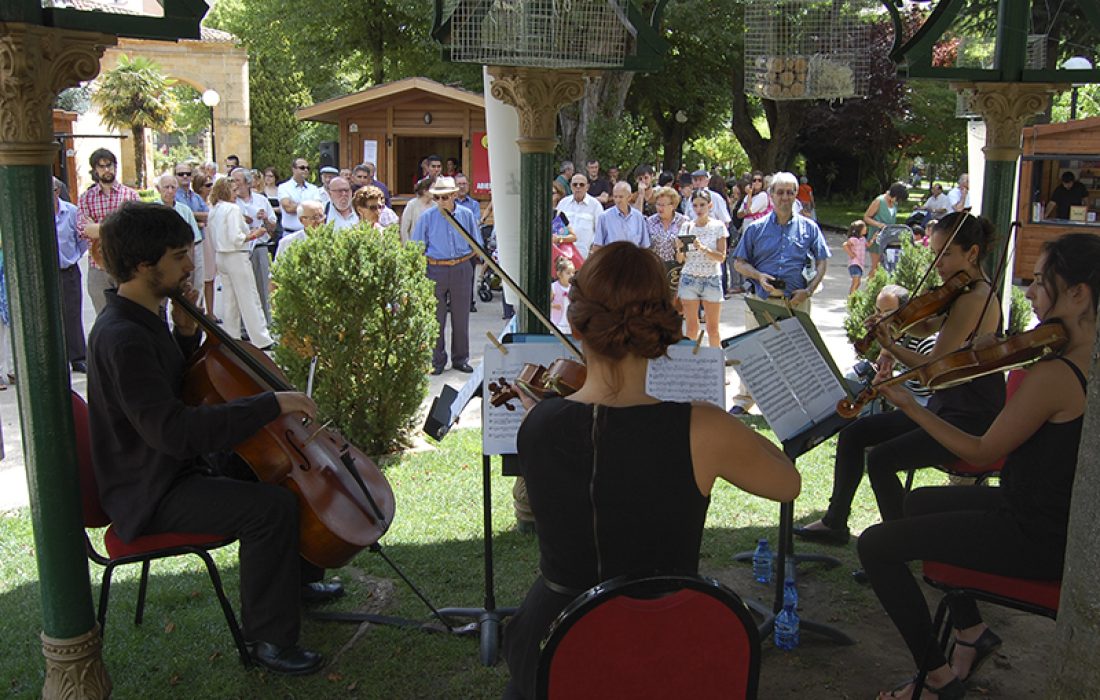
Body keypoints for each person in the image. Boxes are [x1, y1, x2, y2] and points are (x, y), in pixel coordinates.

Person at [502, 241, 801, 700]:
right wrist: (717, 421)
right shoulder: (704, 428)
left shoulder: (536, 423)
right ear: (664, 325)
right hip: (664, 641)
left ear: (576, 326)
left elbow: (540, 507)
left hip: (555, 642)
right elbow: (787, 482)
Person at [88, 201, 338, 676]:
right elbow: (175, 432)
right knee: (270, 509)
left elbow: (172, 390)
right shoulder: (123, 337)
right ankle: (269, 640)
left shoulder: (144, 319)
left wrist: (185, 338)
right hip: (151, 489)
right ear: (142, 265)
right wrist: (269, 403)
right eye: (178, 256)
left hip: (169, 469)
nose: (190, 266)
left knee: (272, 470)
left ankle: (296, 584)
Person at [858, 232, 1100, 700]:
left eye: (1040, 281)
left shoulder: (1055, 374)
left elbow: (980, 452)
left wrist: (909, 405)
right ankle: (970, 631)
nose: (1029, 293)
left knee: (875, 545)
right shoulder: (1078, 358)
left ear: (1078, 294)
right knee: (918, 502)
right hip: (1053, 517)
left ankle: (937, 679)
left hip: (1033, 533)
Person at [795, 213, 1004, 546]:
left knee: (881, 460)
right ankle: (835, 522)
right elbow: (926, 326)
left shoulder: (975, 298)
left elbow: (934, 365)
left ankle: (901, 543)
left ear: (972, 253)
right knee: (855, 434)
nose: (937, 263)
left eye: (945, 254)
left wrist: (890, 345)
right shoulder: (960, 292)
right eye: (934, 253)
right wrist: (894, 321)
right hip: (946, 407)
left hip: (968, 417)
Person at [730, 171, 830, 415]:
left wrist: (809, 290)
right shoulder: (755, 229)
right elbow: (739, 263)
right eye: (780, 192)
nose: (785, 197)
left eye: (790, 192)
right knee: (753, 351)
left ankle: (800, 402)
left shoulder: (810, 228)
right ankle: (744, 401)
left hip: (796, 301)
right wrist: (758, 276)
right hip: (761, 301)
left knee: (798, 353)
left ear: (796, 195)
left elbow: (822, 262)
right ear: (771, 195)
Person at [411, 176, 483, 375]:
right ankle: (437, 361)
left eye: (445, 197)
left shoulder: (466, 215)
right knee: (436, 318)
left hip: (461, 267)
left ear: (454, 195)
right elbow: (416, 247)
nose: (441, 201)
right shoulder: (427, 217)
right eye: (437, 198)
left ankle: (461, 359)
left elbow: (477, 243)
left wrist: (469, 259)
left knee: (461, 317)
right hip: (435, 269)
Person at [208, 178, 273, 349]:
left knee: (230, 300)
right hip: (235, 255)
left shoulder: (214, 209)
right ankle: (261, 339)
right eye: (233, 190)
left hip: (221, 256)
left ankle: (232, 336)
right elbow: (236, 237)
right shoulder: (232, 209)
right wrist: (255, 234)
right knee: (249, 297)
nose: (236, 194)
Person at [77, 148, 139, 315]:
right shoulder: (86, 198)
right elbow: (83, 229)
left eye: (109, 165)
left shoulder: (130, 196)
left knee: (131, 314)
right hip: (98, 266)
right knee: (105, 317)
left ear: (115, 167)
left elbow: (135, 230)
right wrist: (118, 228)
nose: (106, 170)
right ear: (95, 170)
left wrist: (97, 228)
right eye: (102, 166)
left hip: (126, 264)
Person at [674, 189, 728, 348]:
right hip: (689, 278)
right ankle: (691, 360)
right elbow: (680, 259)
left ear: (710, 205)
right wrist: (679, 248)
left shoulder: (718, 226)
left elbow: (721, 257)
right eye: (695, 205)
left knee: (713, 329)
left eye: (702, 205)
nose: (699, 209)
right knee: (691, 328)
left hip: (711, 278)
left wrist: (703, 248)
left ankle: (715, 359)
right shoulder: (686, 227)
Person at [231, 168, 278, 326]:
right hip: (239, 249)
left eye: (237, 180)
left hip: (259, 247)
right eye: (232, 180)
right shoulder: (231, 203)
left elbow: (273, 227)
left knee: (263, 287)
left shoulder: (261, 200)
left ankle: (266, 324)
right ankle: (244, 327)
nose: (234, 184)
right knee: (242, 289)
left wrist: (265, 219)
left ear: (247, 183)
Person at [154, 173, 205, 311]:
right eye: (166, 187)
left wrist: (189, 263)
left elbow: (193, 240)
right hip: (162, 260)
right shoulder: (153, 211)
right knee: (161, 299)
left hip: (183, 257)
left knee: (189, 293)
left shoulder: (184, 210)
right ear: (159, 189)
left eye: (173, 187)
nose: (170, 191)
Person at [54, 177, 88, 373]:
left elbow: (82, 240)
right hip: (47, 273)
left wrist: (72, 257)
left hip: (68, 271)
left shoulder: (71, 212)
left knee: (72, 314)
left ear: (57, 191)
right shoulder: (39, 212)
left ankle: (78, 357)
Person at [555, 172, 605, 259]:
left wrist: (594, 252)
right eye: (575, 184)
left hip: (586, 256)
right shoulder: (563, 203)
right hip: (564, 255)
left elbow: (601, 232)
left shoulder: (595, 205)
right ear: (571, 186)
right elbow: (556, 229)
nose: (578, 187)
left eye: (581, 185)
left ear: (587, 187)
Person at [864, 182, 908, 277]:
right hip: (876, 238)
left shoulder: (894, 203)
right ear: (894, 194)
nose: (898, 201)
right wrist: (879, 224)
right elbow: (866, 217)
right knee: (876, 267)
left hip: (888, 239)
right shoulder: (879, 201)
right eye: (898, 198)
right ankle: (869, 284)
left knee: (885, 267)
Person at [591, 181, 649, 253]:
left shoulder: (639, 217)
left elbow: (644, 245)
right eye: (615, 197)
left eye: (621, 197)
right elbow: (597, 246)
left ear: (629, 197)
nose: (617, 200)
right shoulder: (604, 217)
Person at [278, 158, 322, 237]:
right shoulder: (283, 187)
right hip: (290, 234)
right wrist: (310, 206)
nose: (306, 170)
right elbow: (288, 208)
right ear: (293, 169)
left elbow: (318, 209)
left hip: (310, 233)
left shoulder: (314, 188)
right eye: (302, 168)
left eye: (308, 168)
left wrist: (296, 205)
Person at [646, 185, 690, 265]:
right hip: (655, 266)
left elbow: (687, 251)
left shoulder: (683, 222)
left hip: (677, 267)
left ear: (673, 205)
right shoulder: (650, 222)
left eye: (663, 205)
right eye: (658, 204)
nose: (660, 208)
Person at [399, 177, 434, 244]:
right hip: (415, 244)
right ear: (425, 191)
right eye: (432, 189)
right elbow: (404, 228)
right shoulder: (412, 205)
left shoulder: (435, 205)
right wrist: (407, 246)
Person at [549, 256, 574, 334]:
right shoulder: (554, 287)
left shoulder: (573, 288)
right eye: (568, 273)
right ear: (559, 274)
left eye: (573, 272)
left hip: (570, 324)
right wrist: (554, 306)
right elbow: (547, 304)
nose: (571, 275)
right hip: (556, 323)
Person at [844, 220, 868, 295]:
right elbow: (845, 245)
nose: (866, 229)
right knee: (856, 281)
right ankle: (851, 297)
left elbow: (867, 245)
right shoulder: (853, 239)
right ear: (859, 229)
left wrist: (874, 238)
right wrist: (851, 254)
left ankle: (853, 295)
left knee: (858, 282)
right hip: (854, 263)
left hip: (860, 263)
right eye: (864, 228)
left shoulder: (863, 239)